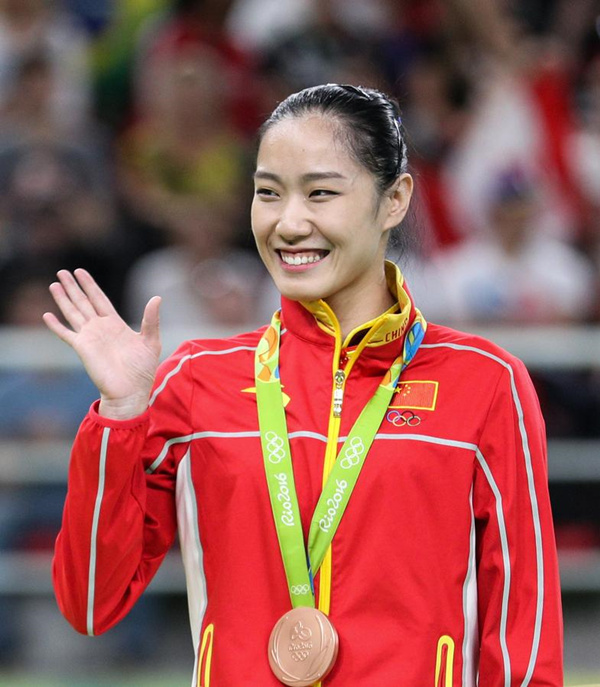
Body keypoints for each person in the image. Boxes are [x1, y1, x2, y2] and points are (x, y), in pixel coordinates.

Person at [43, 84, 563, 685]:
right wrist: (119, 415)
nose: (289, 223)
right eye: (268, 193)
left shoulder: (485, 382)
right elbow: (88, 603)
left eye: (320, 193)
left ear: (393, 200)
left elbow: (525, 622)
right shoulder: (195, 382)